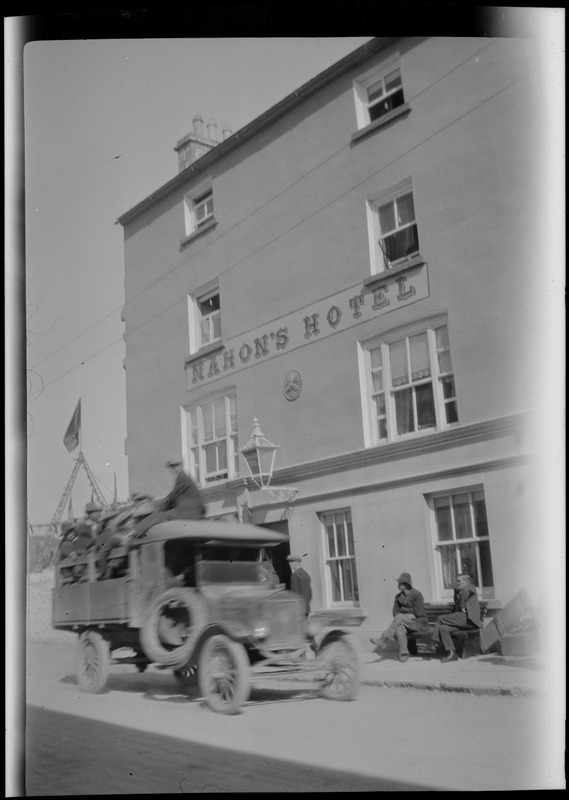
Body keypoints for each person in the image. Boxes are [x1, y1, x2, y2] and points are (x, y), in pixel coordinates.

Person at [134, 458, 206, 539]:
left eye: (176, 466)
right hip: (193, 512)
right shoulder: (185, 478)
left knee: (157, 516)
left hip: (187, 513)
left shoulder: (182, 478)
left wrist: (158, 508)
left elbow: (171, 497)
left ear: (181, 466)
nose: (173, 469)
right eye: (172, 467)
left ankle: (134, 534)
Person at [369, 572, 430, 662]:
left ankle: (383, 640)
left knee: (399, 618)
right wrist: (403, 614)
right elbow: (395, 612)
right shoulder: (398, 597)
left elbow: (418, 612)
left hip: (418, 622)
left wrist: (403, 612)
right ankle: (404, 654)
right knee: (399, 628)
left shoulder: (417, 594)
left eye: (400, 583)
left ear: (406, 584)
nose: (398, 585)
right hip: (404, 622)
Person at [430, 573, 483, 662]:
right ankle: (452, 653)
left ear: (466, 581)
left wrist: (462, 606)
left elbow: (467, 591)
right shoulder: (461, 592)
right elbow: (457, 603)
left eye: (459, 581)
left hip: (469, 619)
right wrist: (456, 591)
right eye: (456, 581)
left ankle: (434, 641)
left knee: (440, 618)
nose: (457, 583)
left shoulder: (470, 587)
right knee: (443, 628)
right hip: (463, 621)